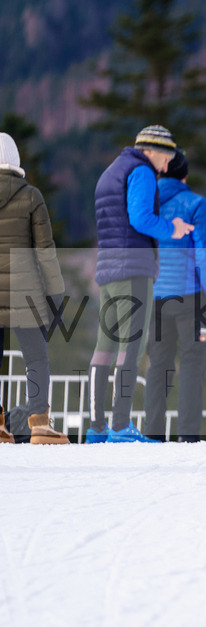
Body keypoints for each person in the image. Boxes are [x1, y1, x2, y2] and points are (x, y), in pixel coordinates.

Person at [87, 125, 195, 443]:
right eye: (167, 157)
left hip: (107, 271)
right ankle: (120, 426)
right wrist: (172, 227)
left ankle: (96, 428)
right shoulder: (142, 171)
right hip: (134, 270)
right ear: (153, 150)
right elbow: (140, 218)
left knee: (103, 350)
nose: (166, 166)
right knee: (130, 349)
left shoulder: (110, 172)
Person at [143, 149, 206, 441]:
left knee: (158, 365)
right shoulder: (197, 204)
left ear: (161, 171)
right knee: (191, 364)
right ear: (184, 174)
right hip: (191, 298)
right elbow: (205, 254)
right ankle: (188, 436)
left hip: (156, 295)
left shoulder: (148, 204)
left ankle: (153, 435)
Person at [0, 131, 69, 444]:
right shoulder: (31, 196)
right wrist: (56, 295)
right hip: (24, 290)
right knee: (36, 359)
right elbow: (46, 251)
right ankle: (40, 423)